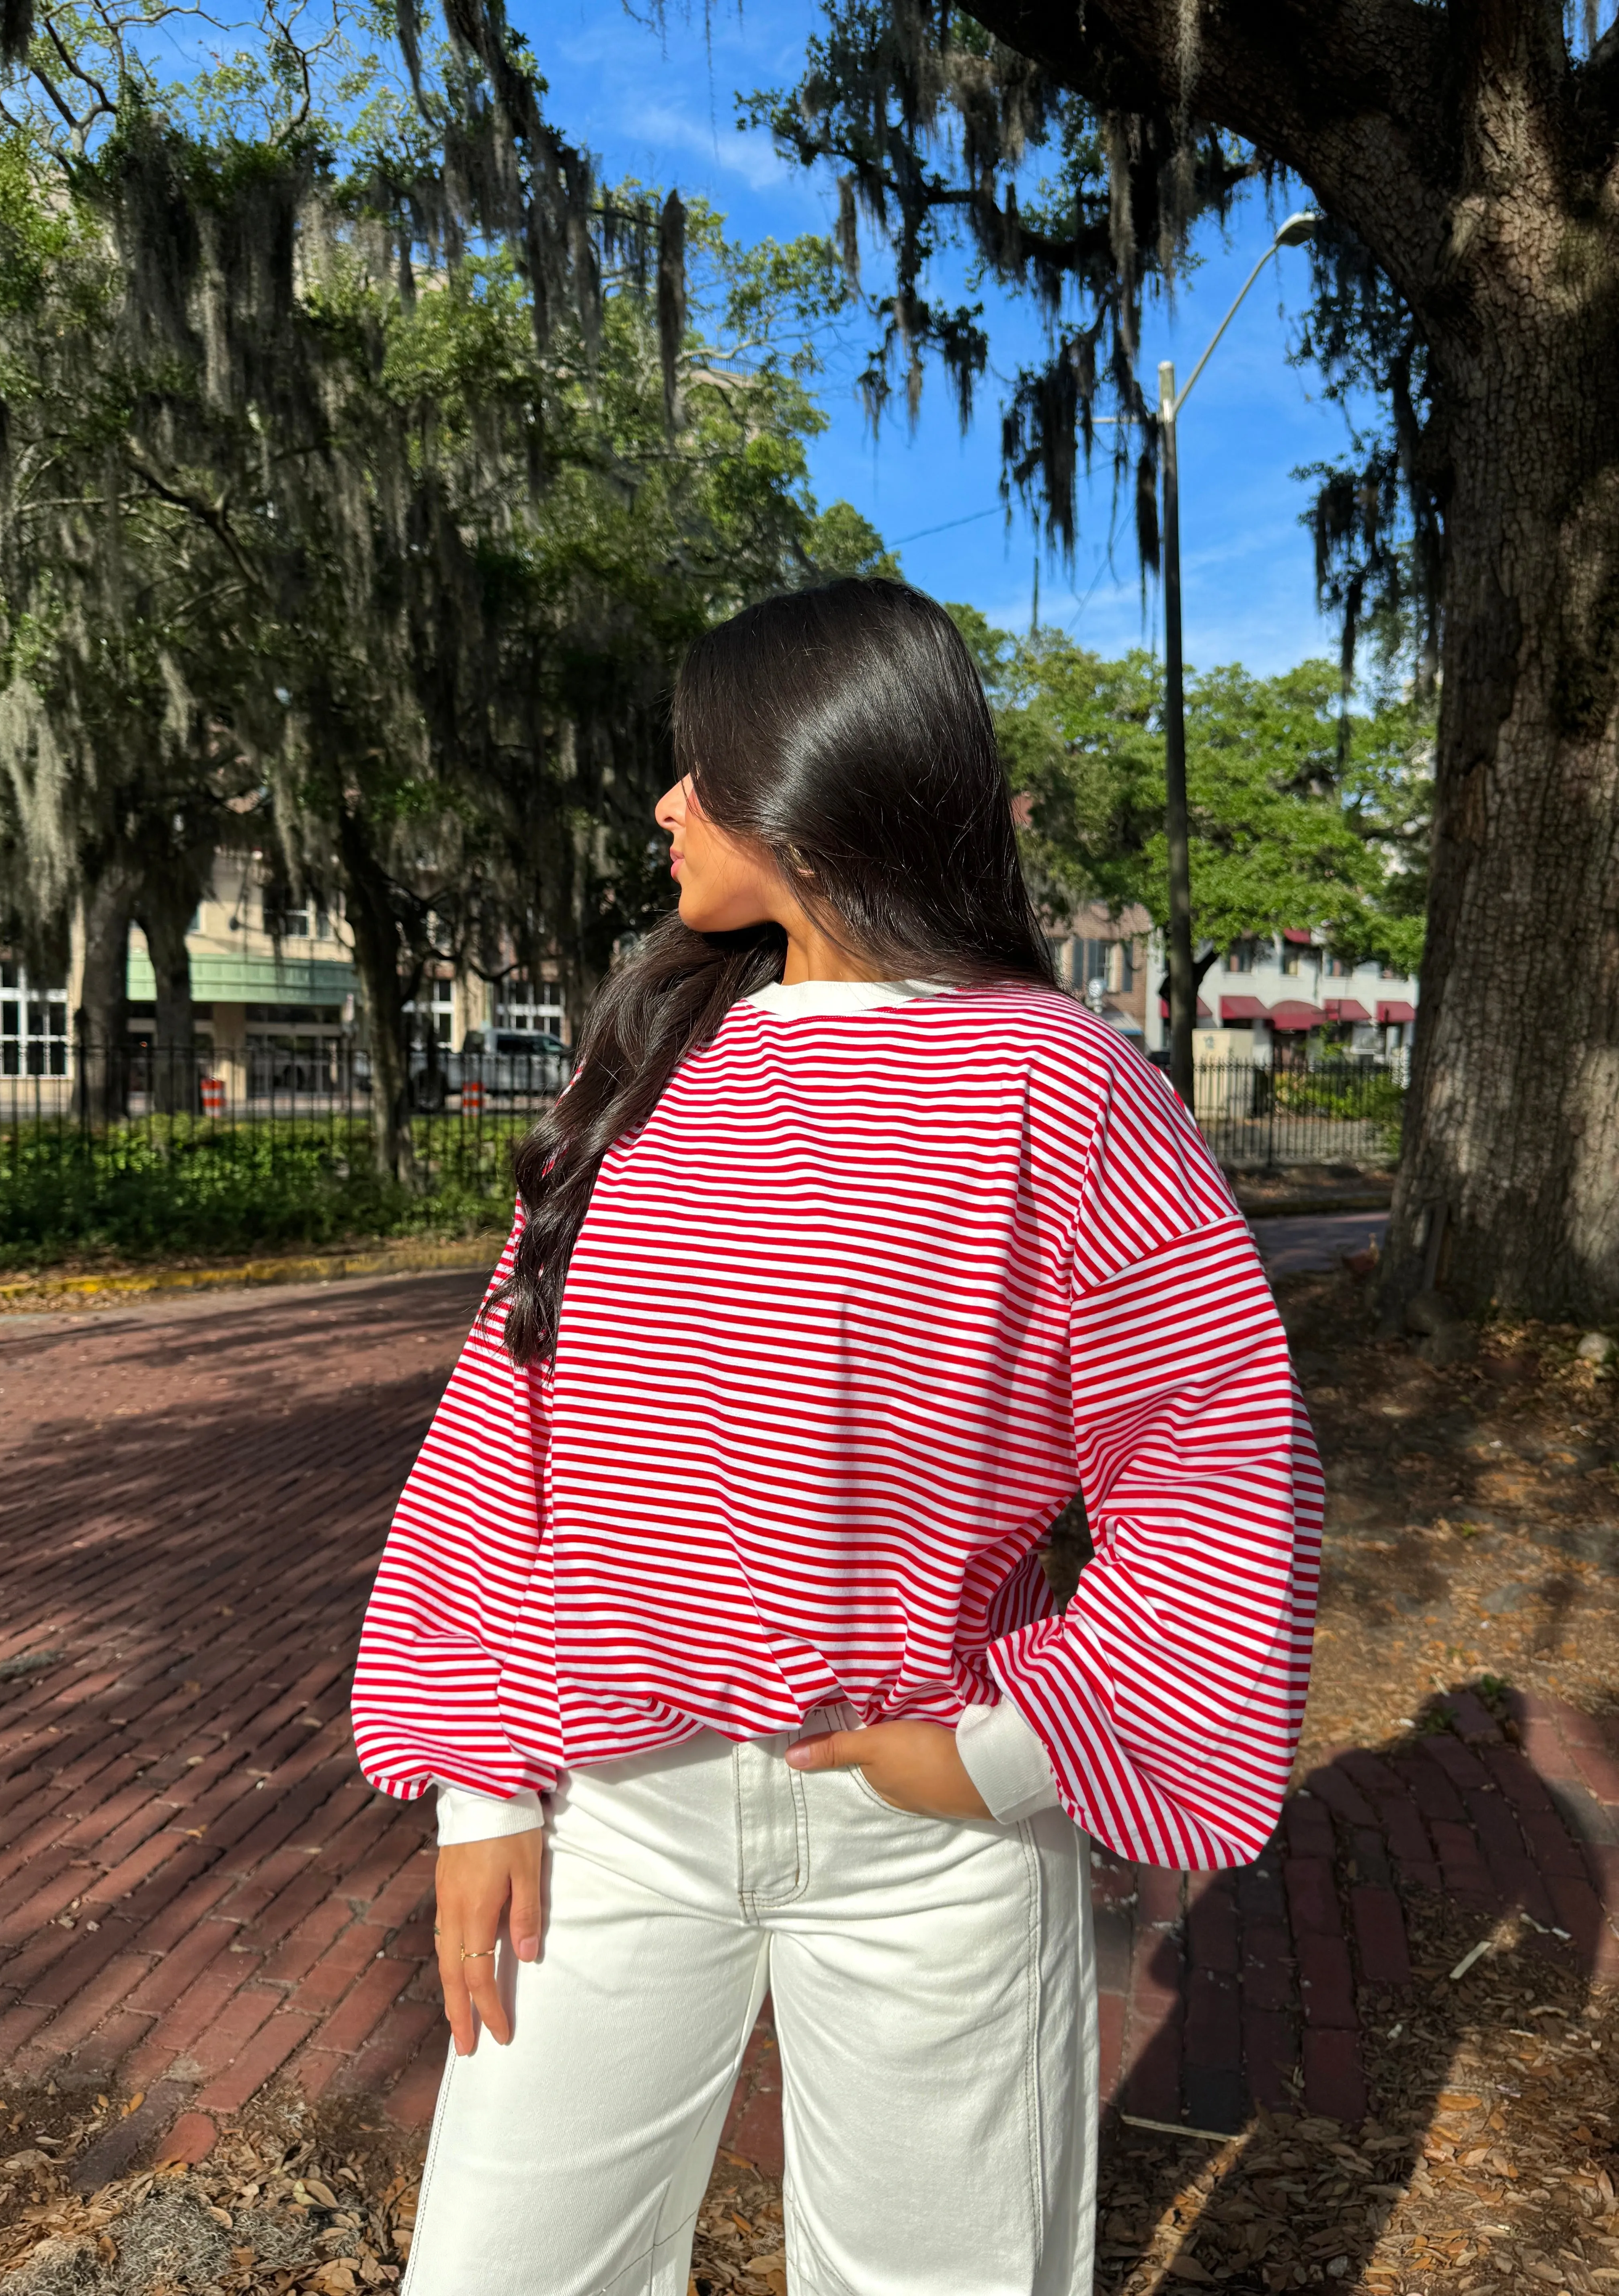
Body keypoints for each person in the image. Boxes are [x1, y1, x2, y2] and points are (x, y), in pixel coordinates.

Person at [351, 579, 1323, 2296]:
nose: (664, 809)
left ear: (810, 782)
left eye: (699, 772)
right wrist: (479, 1785)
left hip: (933, 1832)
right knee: (504, 2269)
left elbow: (1219, 1453)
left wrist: (1021, 1752)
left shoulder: (1065, 1084)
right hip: (613, 1817)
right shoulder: (652, 1066)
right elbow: (512, 1423)